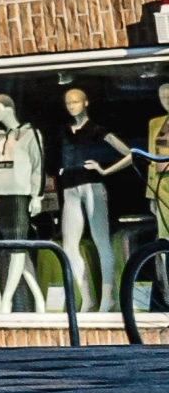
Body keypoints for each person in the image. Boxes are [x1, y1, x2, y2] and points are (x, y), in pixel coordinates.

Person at [54, 83, 135, 311]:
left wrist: (105, 170)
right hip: (70, 187)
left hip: (92, 185)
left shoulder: (97, 130)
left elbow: (130, 154)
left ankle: (107, 297)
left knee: (101, 241)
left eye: (76, 102)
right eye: (68, 103)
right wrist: (62, 169)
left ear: (85, 103)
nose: (72, 106)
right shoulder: (63, 131)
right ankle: (87, 298)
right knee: (69, 245)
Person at [0, 89, 52, 312]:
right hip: (0, 196)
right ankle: (39, 299)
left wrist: (37, 195)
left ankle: (6, 300)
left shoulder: (30, 134)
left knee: (17, 247)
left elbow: (39, 166)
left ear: (9, 108)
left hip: (20, 194)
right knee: (16, 248)